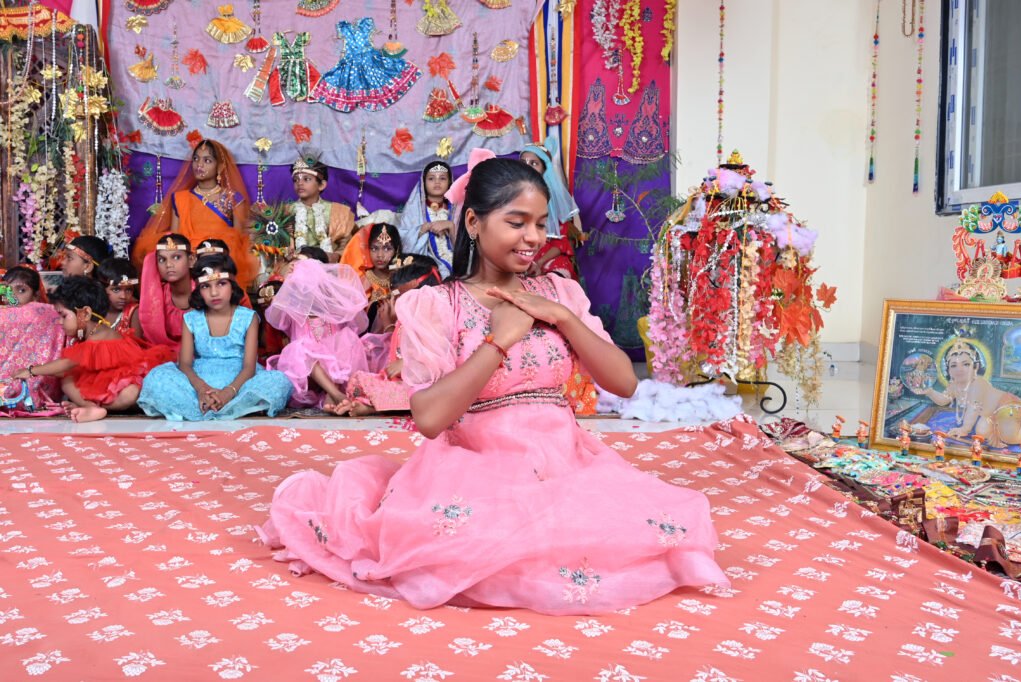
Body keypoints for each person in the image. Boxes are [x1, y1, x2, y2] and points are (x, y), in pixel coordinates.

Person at [259, 156, 727, 615]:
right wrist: (498, 342)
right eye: (517, 222)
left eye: (541, 224)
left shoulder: (560, 293)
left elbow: (624, 382)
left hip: (564, 461)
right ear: (474, 222)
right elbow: (430, 418)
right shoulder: (436, 304)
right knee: (478, 543)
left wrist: (563, 318)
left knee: (645, 529)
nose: (533, 238)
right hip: (475, 466)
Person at [137, 254, 292, 420]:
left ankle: (229, 403)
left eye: (221, 283)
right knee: (156, 378)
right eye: (205, 286)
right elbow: (185, 364)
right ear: (197, 289)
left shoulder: (248, 318)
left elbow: (249, 366)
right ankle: (218, 404)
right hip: (199, 379)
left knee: (279, 382)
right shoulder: (191, 318)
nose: (214, 292)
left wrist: (228, 392)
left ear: (232, 284)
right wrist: (201, 389)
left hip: (238, 379)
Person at [12, 276, 172, 422]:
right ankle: (92, 407)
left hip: (124, 384)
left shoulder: (98, 337)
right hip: (105, 382)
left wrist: (32, 370)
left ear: (85, 314)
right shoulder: (92, 333)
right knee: (68, 379)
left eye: (63, 316)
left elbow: (66, 364)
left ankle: (92, 408)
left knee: (127, 392)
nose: (60, 323)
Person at [132, 138, 259, 289]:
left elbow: (239, 240)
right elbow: (176, 239)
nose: (199, 165)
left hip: (221, 260)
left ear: (220, 167)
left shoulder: (233, 198)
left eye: (207, 160)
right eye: (196, 159)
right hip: (188, 262)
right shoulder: (180, 198)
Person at [342, 254, 443, 416]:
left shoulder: (435, 317)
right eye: (395, 297)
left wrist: (407, 363)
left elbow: (441, 358)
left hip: (427, 386)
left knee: (416, 393)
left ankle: (372, 407)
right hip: (403, 384)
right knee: (360, 381)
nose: (396, 302)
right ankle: (368, 404)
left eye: (401, 298)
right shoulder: (402, 321)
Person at [265, 259, 369, 413]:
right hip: (306, 377)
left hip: (337, 375)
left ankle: (332, 397)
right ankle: (336, 395)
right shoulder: (293, 313)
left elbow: (360, 325)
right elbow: (274, 315)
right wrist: (289, 282)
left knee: (348, 337)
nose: (309, 292)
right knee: (300, 348)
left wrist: (340, 292)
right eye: (302, 287)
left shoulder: (335, 311)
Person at [912, 338, 1021, 446]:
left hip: (1007, 406)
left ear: (975, 367)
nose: (959, 369)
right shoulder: (954, 385)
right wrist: (929, 392)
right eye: (953, 365)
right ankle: (1002, 426)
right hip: (990, 416)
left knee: (1010, 437)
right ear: (949, 371)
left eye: (966, 364)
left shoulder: (978, 383)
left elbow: (973, 409)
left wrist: (965, 429)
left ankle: (1018, 426)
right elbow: (943, 400)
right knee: (981, 431)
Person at [0, 266, 63, 409]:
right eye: (8, 290)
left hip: (35, 387)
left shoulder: (47, 315)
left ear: (36, 296)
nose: (13, 296)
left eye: (21, 290)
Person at [520, 136, 582, 279]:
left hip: (547, 259)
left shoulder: (553, 200)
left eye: (533, 163)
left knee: (557, 277)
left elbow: (560, 243)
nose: (527, 167)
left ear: (544, 169)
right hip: (519, 258)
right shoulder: (509, 197)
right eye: (523, 162)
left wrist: (539, 263)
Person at [290, 154, 357, 259]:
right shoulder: (284, 211)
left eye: (306, 179)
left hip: (329, 264)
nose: (300, 183)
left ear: (322, 185)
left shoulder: (338, 212)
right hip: (295, 264)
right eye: (296, 180)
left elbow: (347, 244)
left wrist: (333, 257)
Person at [138, 234, 195, 355]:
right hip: (163, 355)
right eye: (162, 259)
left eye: (176, 257)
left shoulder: (206, 292)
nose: (168, 264)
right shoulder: (155, 298)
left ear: (191, 260)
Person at [397, 160, 456, 278]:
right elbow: (401, 241)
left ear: (450, 182)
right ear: (423, 182)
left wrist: (451, 226)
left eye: (442, 178)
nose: (437, 182)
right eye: (431, 178)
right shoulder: (413, 210)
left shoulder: (458, 210)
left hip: (458, 263)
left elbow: (468, 248)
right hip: (427, 266)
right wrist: (423, 229)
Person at [97, 258, 143, 337]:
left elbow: (135, 346)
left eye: (128, 290)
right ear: (102, 288)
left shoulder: (133, 312)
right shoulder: (94, 310)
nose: (123, 296)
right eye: (116, 290)